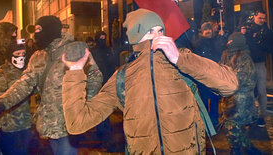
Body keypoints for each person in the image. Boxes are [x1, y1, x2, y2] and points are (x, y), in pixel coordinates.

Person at [61, 8, 238, 154]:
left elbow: (230, 85)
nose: (157, 35)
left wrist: (179, 59)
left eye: (160, 30)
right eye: (149, 31)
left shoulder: (181, 60)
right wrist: (75, 72)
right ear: (135, 37)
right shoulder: (123, 76)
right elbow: (77, 123)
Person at [0, 16, 103, 155]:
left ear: (51, 30)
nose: (35, 35)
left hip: (69, 125)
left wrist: (85, 109)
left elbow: (95, 77)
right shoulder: (38, 56)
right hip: (49, 126)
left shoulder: (74, 50)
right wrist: (2, 103)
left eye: (39, 30)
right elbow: (25, 83)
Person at [220, 32, 262, 155]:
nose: (228, 43)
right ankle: (247, 147)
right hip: (230, 97)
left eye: (230, 41)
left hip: (240, 99)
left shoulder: (244, 57)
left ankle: (236, 149)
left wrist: (226, 80)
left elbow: (243, 79)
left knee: (233, 126)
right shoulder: (226, 55)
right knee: (234, 125)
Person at [0, 41, 32, 155]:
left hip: (26, 125)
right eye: (17, 53)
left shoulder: (27, 72)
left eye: (23, 53)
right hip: (9, 128)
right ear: (10, 55)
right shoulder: (1, 74)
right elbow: (0, 99)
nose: (21, 56)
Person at [245, 9, 273, 127]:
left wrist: (260, 41)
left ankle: (261, 116)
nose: (262, 20)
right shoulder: (248, 28)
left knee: (261, 91)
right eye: (260, 18)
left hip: (260, 63)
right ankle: (251, 115)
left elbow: (270, 48)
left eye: (263, 18)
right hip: (248, 63)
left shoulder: (267, 31)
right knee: (249, 91)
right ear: (254, 17)